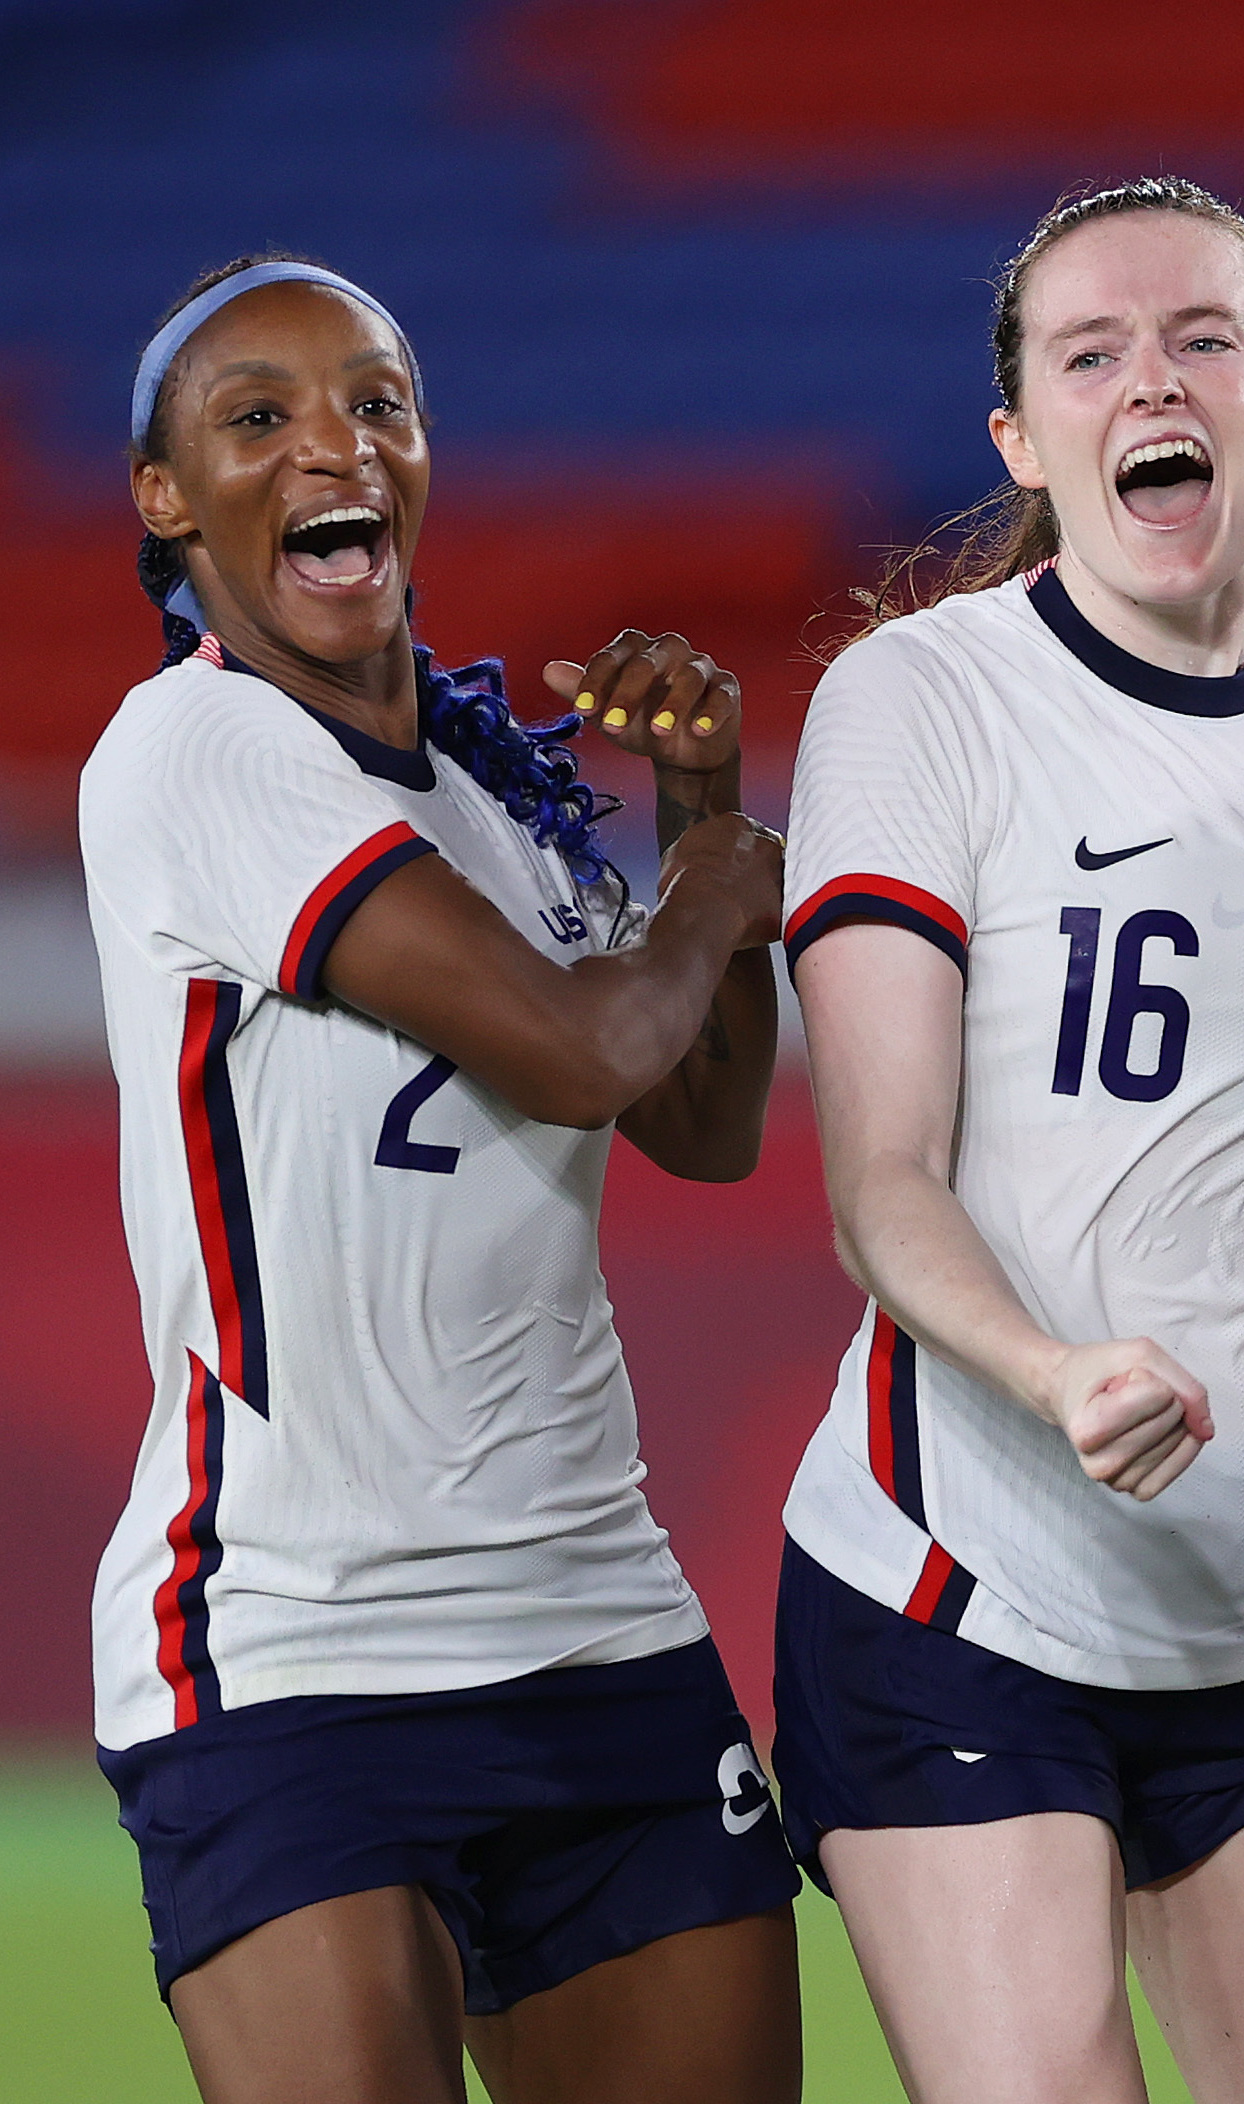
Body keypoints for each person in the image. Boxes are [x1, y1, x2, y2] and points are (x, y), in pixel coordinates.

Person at [768, 177, 1244, 2104]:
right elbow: (880, 1182)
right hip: (958, 1593)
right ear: (1022, 436)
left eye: (1201, 339)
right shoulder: (922, 698)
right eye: (1091, 353)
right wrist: (1052, 1368)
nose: (1148, 378)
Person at [85, 255, 799, 2104]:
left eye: (379, 403)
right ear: (166, 502)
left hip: (593, 1618)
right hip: (297, 1640)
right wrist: (722, 891)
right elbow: (579, 1049)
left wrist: (701, 804)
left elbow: (702, 1127)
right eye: (260, 418)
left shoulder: (496, 808)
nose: (338, 443)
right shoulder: (197, 748)